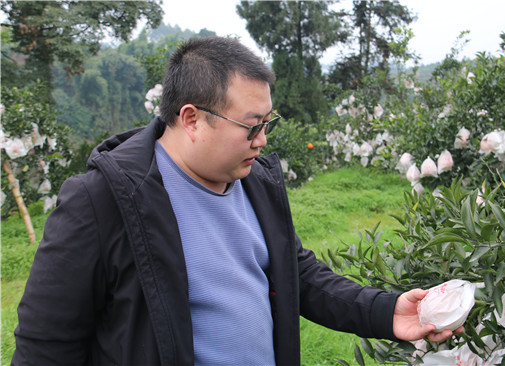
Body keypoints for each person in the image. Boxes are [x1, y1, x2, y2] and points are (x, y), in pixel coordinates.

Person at [12, 36, 462, 365]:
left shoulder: (257, 180)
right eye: (251, 126)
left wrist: (386, 311)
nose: (263, 140)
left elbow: (295, 273)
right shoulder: (103, 199)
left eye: (269, 123)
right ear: (191, 118)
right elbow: (45, 345)